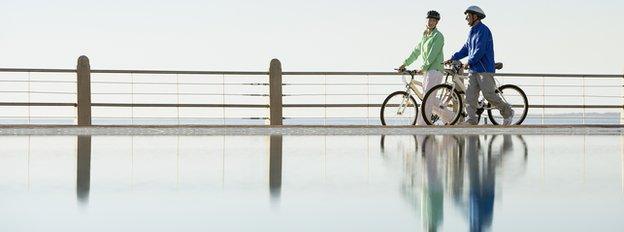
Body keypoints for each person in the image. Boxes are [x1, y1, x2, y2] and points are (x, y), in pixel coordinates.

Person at [446, 6, 514, 126]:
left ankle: (508, 112)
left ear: (475, 16)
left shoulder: (483, 30)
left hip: (484, 69)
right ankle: (472, 120)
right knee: (470, 96)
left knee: (489, 95)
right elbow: (466, 48)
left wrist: (469, 62)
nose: (466, 18)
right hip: (474, 70)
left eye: (468, 15)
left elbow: (480, 50)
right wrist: (453, 58)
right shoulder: (472, 31)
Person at [398, 10, 452, 125]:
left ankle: (422, 124)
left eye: (434, 20)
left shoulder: (438, 36)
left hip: (435, 70)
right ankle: (452, 118)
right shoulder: (425, 35)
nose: (431, 22)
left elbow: (432, 54)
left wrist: (422, 68)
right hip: (427, 71)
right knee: (430, 99)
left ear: (437, 22)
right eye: (429, 19)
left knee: (427, 99)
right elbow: (416, 52)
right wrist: (405, 63)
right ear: (426, 20)